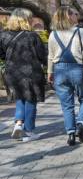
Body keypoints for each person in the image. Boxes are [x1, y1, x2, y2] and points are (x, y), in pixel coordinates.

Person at [48, 6, 83, 146]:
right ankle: (81, 124)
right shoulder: (81, 32)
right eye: (74, 13)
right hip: (78, 69)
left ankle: (70, 134)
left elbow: (51, 56)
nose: (76, 15)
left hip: (59, 71)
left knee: (67, 105)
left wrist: (49, 72)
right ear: (69, 16)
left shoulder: (53, 34)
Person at [0, 8, 48, 142]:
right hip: (31, 72)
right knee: (31, 100)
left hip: (12, 71)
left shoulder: (3, 35)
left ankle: (18, 123)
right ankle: (29, 130)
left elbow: (1, 54)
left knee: (20, 98)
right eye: (30, 18)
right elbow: (42, 55)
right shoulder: (32, 36)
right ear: (26, 20)